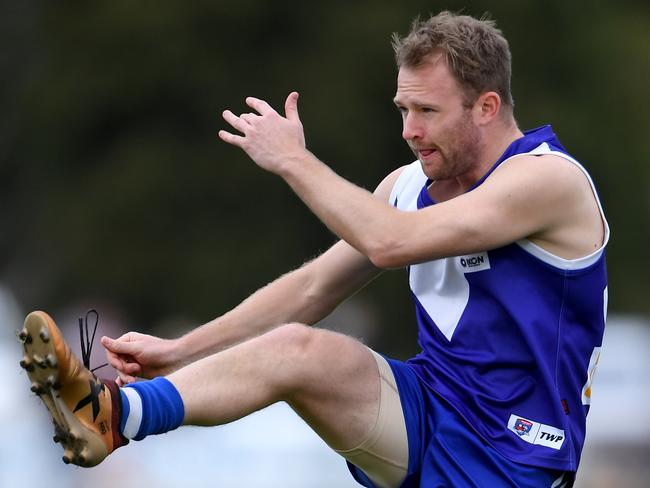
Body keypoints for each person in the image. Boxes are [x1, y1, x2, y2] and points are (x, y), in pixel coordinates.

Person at [19, 11, 608, 487]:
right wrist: (181, 351)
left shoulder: (547, 181)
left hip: (514, 457)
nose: (409, 129)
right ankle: (115, 416)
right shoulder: (405, 187)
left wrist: (295, 161)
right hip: (428, 411)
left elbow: (388, 243)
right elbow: (312, 287)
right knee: (298, 349)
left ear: (486, 106)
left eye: (427, 111)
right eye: (403, 109)